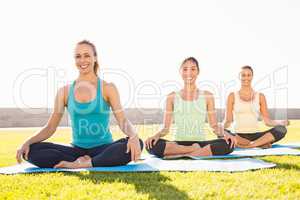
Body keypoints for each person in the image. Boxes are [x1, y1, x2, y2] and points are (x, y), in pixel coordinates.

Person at [16, 40, 143, 168]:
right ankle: (87, 161)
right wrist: (27, 142)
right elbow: (50, 127)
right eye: (78, 56)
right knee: (31, 151)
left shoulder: (108, 88)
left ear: (95, 58)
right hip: (75, 151)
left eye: (87, 55)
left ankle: (84, 164)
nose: (82, 60)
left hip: (104, 148)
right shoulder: (64, 92)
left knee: (136, 143)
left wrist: (133, 135)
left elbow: (123, 120)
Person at [145, 57, 236, 158]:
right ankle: (192, 151)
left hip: (200, 143)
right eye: (185, 69)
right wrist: (156, 136)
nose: (189, 73)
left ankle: (180, 154)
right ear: (180, 72)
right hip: (178, 144)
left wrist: (225, 134)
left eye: (193, 69)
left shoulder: (207, 96)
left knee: (228, 144)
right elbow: (166, 128)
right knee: (151, 145)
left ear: (198, 72)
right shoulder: (172, 97)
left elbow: (214, 125)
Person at [223, 65, 289, 148]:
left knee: (281, 129)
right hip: (238, 135)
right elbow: (228, 120)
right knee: (222, 133)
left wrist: (280, 123)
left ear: (252, 77)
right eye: (243, 75)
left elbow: (267, 121)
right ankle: (260, 144)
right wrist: (220, 127)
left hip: (256, 135)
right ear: (239, 77)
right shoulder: (232, 96)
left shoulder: (260, 96)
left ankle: (249, 145)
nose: (246, 78)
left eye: (248, 75)